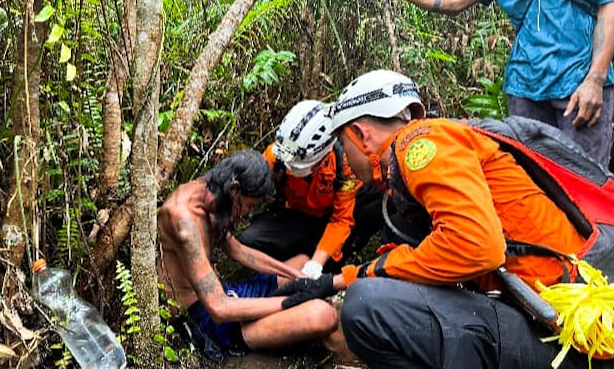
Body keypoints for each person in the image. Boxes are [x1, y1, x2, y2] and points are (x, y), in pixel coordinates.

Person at [273, 69, 614, 368]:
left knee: (367, 307)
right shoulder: (418, 166)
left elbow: (478, 248)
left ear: (361, 135)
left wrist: (354, 278)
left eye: (343, 143)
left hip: (564, 334)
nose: (344, 156)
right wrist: (337, 280)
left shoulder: (420, 143)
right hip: (541, 319)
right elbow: (430, 257)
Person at [382, 0, 614, 167]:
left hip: (580, 84)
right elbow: (453, 1)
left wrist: (595, 78)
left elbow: (609, 8)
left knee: (587, 178)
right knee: (534, 178)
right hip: (524, 88)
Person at [157, 149, 338, 362]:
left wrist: (300, 279)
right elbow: (219, 309)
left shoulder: (213, 193)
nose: (245, 214)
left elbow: (237, 250)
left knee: (302, 263)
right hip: (205, 317)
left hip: (225, 292)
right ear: (235, 190)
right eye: (248, 206)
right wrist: (292, 300)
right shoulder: (184, 221)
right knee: (324, 315)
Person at [237, 100, 384, 278]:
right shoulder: (276, 156)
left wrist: (316, 263)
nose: (290, 168)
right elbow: (249, 187)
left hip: (335, 217)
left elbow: (342, 220)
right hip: (298, 214)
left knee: (376, 196)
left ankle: (341, 253)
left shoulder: (345, 163)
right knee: (249, 240)